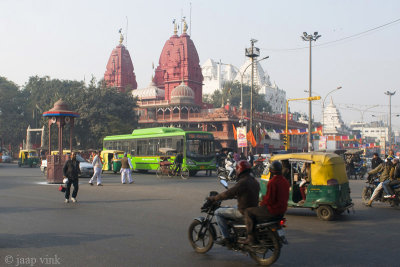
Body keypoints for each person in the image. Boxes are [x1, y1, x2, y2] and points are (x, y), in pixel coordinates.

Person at [208, 160, 260, 245]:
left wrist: (215, 198)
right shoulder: (254, 181)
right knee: (229, 208)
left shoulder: (243, 182)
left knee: (218, 212)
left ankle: (226, 238)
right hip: (252, 208)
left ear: (239, 170)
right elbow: (244, 193)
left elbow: (229, 193)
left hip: (243, 211)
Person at [241, 161, 290, 245]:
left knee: (248, 211)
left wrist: (262, 203)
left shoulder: (272, 182)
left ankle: (250, 237)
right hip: (282, 210)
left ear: (271, 171)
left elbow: (269, 200)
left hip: (272, 210)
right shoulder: (285, 181)